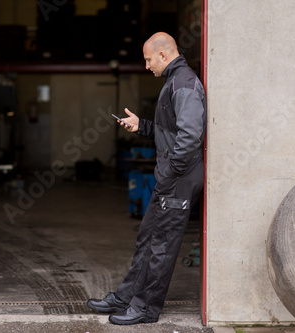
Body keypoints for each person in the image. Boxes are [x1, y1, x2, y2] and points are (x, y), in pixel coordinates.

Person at [86, 32, 206, 325]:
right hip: (171, 177)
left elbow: (190, 137)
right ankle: (127, 297)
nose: (147, 65)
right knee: (148, 240)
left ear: (164, 56)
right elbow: (173, 133)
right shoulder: (174, 83)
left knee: (161, 246)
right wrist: (143, 126)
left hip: (178, 178)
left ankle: (145, 308)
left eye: (148, 59)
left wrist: (171, 172)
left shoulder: (184, 84)